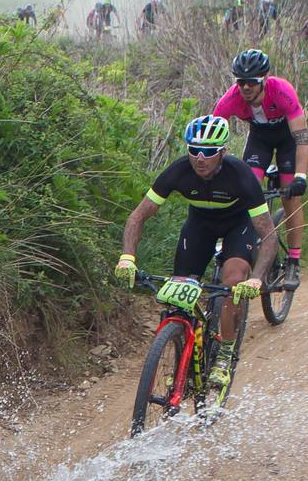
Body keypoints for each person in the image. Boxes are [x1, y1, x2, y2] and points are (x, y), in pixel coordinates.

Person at [114, 116, 277, 395]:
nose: (200, 158)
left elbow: (269, 235)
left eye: (209, 152)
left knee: (232, 281)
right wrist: (127, 257)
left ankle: (224, 353)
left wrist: (258, 279)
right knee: (180, 290)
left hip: (238, 226)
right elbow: (138, 215)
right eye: (193, 150)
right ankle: (181, 356)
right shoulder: (178, 171)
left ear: (223, 152)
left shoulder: (240, 176)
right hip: (200, 226)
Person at [212, 49, 308, 285]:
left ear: (265, 79)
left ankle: (294, 262)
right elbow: (213, 136)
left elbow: (302, 137)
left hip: (288, 140)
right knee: (245, 190)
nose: (246, 88)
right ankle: (243, 245)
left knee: (290, 196)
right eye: (241, 82)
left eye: (252, 82)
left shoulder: (282, 91)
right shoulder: (230, 99)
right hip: (260, 142)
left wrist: (301, 176)